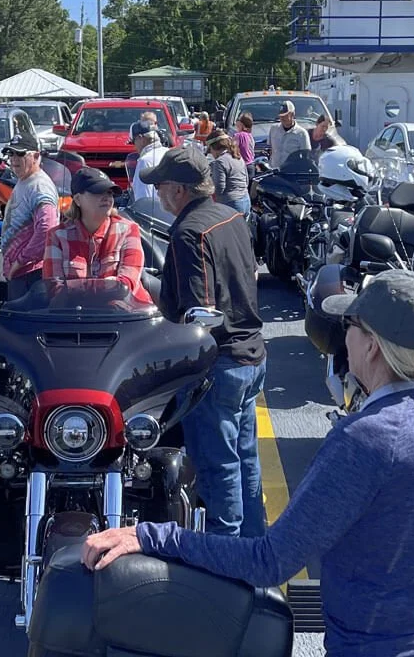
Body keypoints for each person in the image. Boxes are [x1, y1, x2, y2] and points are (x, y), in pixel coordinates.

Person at [82, 269, 414, 657]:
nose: (344, 335)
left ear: (372, 345)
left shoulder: (369, 440)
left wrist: (149, 537)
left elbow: (270, 561)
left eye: (349, 324)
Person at [138, 145, 266, 537]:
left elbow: (200, 312)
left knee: (216, 467)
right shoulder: (232, 216)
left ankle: (225, 560)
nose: (157, 194)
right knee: (245, 461)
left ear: (179, 189)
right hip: (252, 353)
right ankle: (255, 546)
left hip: (219, 363)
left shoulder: (188, 232)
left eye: (160, 186)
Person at [43, 167, 150, 302]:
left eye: (110, 192)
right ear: (77, 199)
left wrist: (75, 288)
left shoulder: (129, 230)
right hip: (75, 316)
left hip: (123, 316)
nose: (106, 197)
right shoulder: (56, 236)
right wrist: (107, 285)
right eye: (98, 192)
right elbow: (54, 288)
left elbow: (126, 285)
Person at [0, 133, 59, 299]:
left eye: (20, 154)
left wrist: (20, 262)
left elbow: (47, 228)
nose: (14, 159)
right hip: (21, 272)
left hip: (31, 274)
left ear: (36, 156)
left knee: (23, 321)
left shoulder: (40, 186)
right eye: (11, 154)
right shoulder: (27, 179)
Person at [206, 128, 250, 216]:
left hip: (231, 205)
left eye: (210, 150)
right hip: (245, 201)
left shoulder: (220, 162)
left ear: (213, 147)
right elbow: (246, 181)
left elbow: (219, 188)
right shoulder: (238, 156)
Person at [129, 119, 167, 202]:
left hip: (155, 213)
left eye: (133, 142)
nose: (134, 147)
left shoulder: (145, 161)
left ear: (140, 138)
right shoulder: (168, 152)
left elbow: (143, 200)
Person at [268, 100, 311, 169]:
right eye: (281, 116)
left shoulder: (302, 133)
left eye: (285, 115)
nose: (282, 118)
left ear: (292, 114)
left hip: (291, 173)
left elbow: (306, 157)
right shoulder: (273, 129)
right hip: (274, 171)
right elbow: (270, 149)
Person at [234, 112, 255, 184]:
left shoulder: (239, 135)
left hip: (242, 166)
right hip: (251, 165)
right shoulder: (250, 136)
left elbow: (233, 149)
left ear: (241, 124)